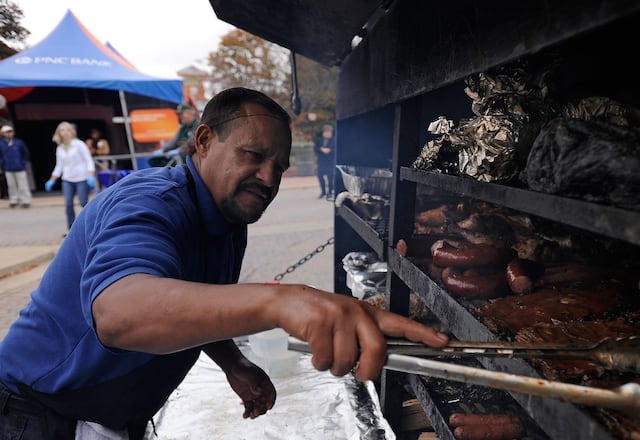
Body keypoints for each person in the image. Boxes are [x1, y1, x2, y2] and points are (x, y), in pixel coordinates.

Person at [0, 87, 447, 439]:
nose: (269, 178)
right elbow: (118, 312)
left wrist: (232, 362)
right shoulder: (149, 202)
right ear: (204, 140)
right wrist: (281, 302)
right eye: (253, 156)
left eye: (280, 165)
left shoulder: (228, 214)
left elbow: (188, 297)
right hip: (34, 414)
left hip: (107, 413)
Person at [43, 121, 97, 231]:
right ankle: (71, 230)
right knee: (68, 204)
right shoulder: (60, 148)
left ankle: (91, 227)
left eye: (67, 130)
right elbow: (59, 166)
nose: (65, 132)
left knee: (83, 203)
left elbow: (88, 160)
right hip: (67, 179)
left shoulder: (79, 144)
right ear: (59, 133)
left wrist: (91, 175)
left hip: (82, 177)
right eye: (62, 130)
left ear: (72, 132)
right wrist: (52, 180)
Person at [0, 125, 32, 208]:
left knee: (23, 185)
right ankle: (13, 200)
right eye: (7, 132)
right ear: (3, 133)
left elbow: (26, 153)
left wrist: (23, 163)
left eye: (10, 131)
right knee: (11, 185)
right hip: (8, 168)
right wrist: (2, 163)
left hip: (20, 167)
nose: (9, 133)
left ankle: (25, 201)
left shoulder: (19, 142)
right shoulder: (1, 144)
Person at [314, 123, 336, 200]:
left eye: (329, 132)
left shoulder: (334, 140)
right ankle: (323, 192)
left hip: (330, 162)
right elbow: (315, 149)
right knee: (320, 176)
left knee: (330, 178)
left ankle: (330, 192)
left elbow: (337, 151)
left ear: (331, 132)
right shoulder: (319, 140)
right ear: (323, 133)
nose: (327, 133)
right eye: (326, 132)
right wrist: (321, 149)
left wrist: (329, 151)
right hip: (321, 162)